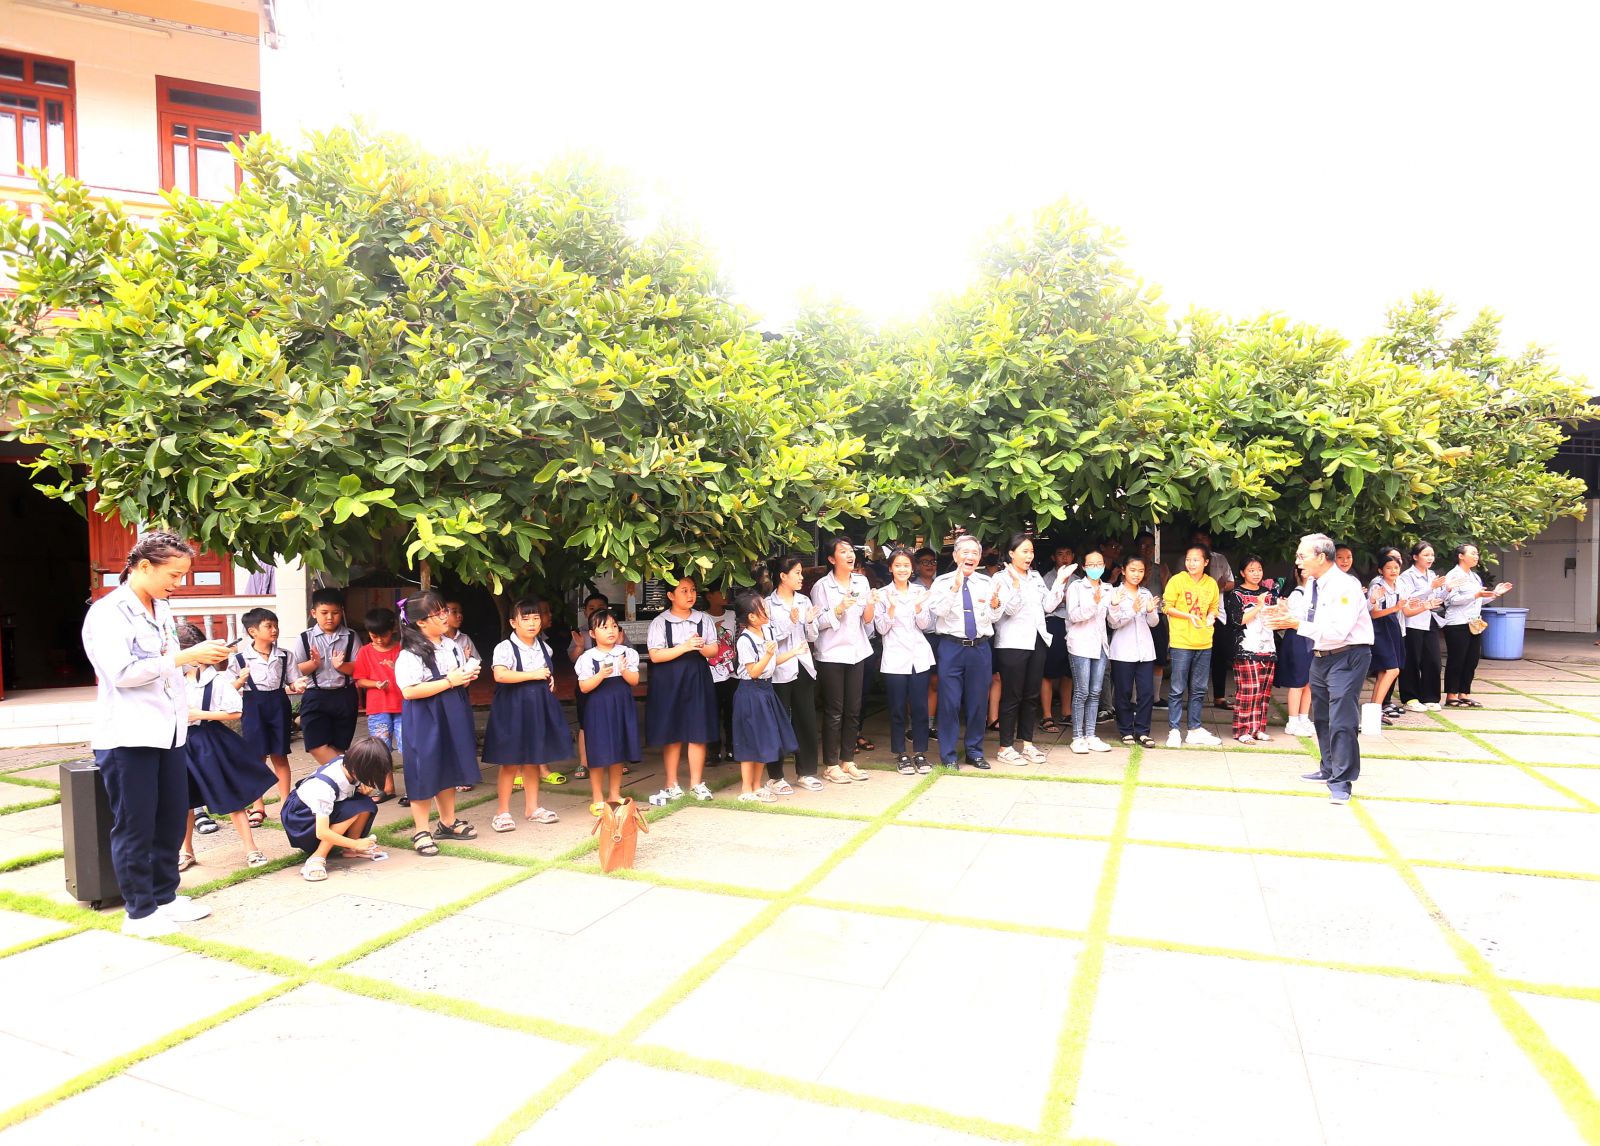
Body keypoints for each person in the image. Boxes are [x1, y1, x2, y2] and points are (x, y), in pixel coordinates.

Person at [81, 530, 231, 937]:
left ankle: (165, 896)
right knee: (135, 825)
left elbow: (166, 665)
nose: (178, 584)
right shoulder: (108, 613)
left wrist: (197, 658)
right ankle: (139, 912)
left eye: (183, 575)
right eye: (174, 575)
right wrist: (182, 657)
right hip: (129, 736)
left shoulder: (161, 607)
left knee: (169, 819)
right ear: (144, 566)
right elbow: (121, 673)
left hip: (169, 732)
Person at [1267, 533, 1375, 805]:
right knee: (1323, 717)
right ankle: (1328, 768)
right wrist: (1285, 614)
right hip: (1320, 656)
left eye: (1302, 556)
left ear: (1321, 557)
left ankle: (1342, 782)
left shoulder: (1345, 586)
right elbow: (1307, 617)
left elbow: (1338, 631)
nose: (1297, 561)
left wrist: (1294, 624)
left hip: (1347, 655)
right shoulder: (1314, 584)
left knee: (1342, 719)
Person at [174, 623, 278, 872]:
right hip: (180, 744)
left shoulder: (215, 681)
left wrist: (199, 714)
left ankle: (251, 849)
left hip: (208, 743)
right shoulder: (174, 680)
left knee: (231, 796)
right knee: (184, 802)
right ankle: (186, 851)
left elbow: (235, 712)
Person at [396, 589, 482, 854]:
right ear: (421, 622)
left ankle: (447, 821)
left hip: (453, 710)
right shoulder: (410, 654)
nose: (446, 616)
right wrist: (449, 681)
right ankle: (421, 831)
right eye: (439, 613)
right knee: (424, 768)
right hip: (425, 716)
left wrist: (466, 676)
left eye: (445, 610)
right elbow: (409, 691)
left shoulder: (451, 645)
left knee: (449, 764)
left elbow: (455, 677)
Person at [482, 597, 573, 832]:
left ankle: (532, 808)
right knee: (510, 761)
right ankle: (502, 812)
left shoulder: (545, 647)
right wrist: (534, 675)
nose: (532, 623)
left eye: (536, 618)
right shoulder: (505, 648)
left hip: (538, 707)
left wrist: (549, 679)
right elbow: (501, 675)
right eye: (526, 619)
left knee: (534, 757)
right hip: (512, 709)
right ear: (513, 623)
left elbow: (545, 672)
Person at [992, 533, 1069, 766]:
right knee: (1012, 695)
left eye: (1031, 551)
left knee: (1031, 695)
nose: (1029, 556)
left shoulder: (1035, 577)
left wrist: (1060, 582)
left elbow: (1048, 606)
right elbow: (1008, 611)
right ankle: (1005, 747)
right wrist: (1016, 586)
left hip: (1037, 640)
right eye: (1024, 551)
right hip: (1012, 643)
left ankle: (1027, 743)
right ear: (1011, 553)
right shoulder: (1000, 578)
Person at [645, 575, 720, 805]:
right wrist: (685, 646)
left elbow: (714, 650)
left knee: (698, 729)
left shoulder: (703, 619)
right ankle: (671, 784)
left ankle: (696, 783)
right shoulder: (660, 622)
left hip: (697, 676)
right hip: (668, 680)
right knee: (672, 730)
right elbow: (655, 655)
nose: (690, 595)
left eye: (693, 590)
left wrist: (700, 647)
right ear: (670, 595)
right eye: (684, 591)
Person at [928, 535, 1001, 768]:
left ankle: (975, 752)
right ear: (955, 555)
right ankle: (948, 755)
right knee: (949, 702)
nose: (970, 556)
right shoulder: (942, 582)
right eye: (965, 552)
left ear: (979, 558)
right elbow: (938, 611)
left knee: (978, 702)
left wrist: (996, 605)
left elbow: (993, 617)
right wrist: (955, 588)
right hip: (951, 647)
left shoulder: (987, 582)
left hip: (980, 648)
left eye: (974, 553)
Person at [810, 536, 876, 784]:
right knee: (834, 711)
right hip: (832, 654)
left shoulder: (861, 581)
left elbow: (867, 619)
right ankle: (830, 765)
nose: (850, 555)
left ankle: (848, 761)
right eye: (843, 551)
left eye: (851, 551)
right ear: (831, 558)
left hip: (857, 652)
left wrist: (871, 604)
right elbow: (816, 623)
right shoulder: (822, 587)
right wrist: (838, 609)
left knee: (853, 710)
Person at [280, 737, 391, 882]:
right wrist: (356, 843)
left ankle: (351, 850)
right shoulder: (323, 788)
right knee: (352, 809)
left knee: (364, 804)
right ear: (361, 769)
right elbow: (321, 832)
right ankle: (317, 857)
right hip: (300, 821)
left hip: (318, 812)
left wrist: (361, 790)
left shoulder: (350, 764)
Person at [230, 606, 300, 824]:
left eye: (276, 625)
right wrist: (240, 680)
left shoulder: (285, 656)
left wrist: (297, 685)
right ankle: (257, 806)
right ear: (253, 631)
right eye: (268, 626)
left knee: (280, 755)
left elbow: (292, 682)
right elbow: (229, 688)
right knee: (256, 757)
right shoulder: (240, 659)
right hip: (253, 706)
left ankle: (286, 804)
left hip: (279, 704)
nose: (274, 630)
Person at [731, 591, 801, 802]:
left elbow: (772, 662)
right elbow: (753, 671)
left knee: (765, 738)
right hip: (750, 692)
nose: (767, 610)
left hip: (766, 690)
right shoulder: (745, 640)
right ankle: (746, 790)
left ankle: (757, 786)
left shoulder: (766, 631)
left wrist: (794, 652)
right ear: (751, 617)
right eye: (763, 607)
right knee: (750, 740)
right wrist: (768, 654)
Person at [875, 547, 936, 774]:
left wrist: (919, 607)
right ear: (890, 568)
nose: (902, 569)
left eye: (906, 565)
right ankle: (900, 753)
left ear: (913, 568)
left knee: (920, 707)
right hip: (895, 658)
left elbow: (925, 625)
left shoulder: (920, 591)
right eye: (898, 565)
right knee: (898, 708)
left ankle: (920, 753)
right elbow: (881, 628)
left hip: (919, 656)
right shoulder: (883, 594)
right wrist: (891, 608)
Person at [575, 611, 642, 811]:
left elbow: (634, 681)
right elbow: (584, 687)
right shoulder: (588, 657)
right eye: (604, 627)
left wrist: (624, 670)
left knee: (618, 750)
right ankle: (597, 797)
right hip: (598, 707)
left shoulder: (626, 653)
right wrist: (600, 675)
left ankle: (614, 794)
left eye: (613, 626)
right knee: (598, 751)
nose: (610, 631)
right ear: (592, 633)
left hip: (621, 705)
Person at [767, 556, 824, 792]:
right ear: (783, 576)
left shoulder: (804, 600)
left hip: (803, 665)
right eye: (797, 573)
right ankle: (775, 776)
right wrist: (792, 623)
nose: (802, 577)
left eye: (801, 572)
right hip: (779, 668)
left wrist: (808, 622)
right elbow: (770, 639)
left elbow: (812, 636)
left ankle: (806, 772)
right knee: (778, 721)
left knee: (806, 720)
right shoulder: (768, 604)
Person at [294, 587, 362, 766]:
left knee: (340, 746)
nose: (330, 617)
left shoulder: (351, 636)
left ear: (342, 612)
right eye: (324, 613)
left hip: (344, 695)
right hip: (315, 695)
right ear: (314, 613)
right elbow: (296, 670)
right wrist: (313, 664)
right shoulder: (304, 638)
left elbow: (359, 668)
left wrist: (341, 666)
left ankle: (342, 782)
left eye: (335, 613)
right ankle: (350, 774)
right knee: (315, 745)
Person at [1163, 545, 1222, 747]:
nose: (1191, 563)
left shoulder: (1211, 583)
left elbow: (1214, 608)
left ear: (1206, 562)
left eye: (1196, 560)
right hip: (1181, 641)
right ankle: (1174, 730)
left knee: (1199, 689)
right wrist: (1188, 616)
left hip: (1204, 642)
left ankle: (1194, 729)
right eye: (1188, 559)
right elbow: (1167, 606)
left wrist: (1211, 617)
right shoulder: (1177, 580)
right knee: (1177, 688)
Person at [1442, 543, 1514, 707]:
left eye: (1477, 554)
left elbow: (1478, 600)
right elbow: (1452, 600)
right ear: (1461, 556)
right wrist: (1476, 595)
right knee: (1457, 659)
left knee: (1471, 660)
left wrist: (1494, 594)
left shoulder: (1474, 576)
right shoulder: (1453, 575)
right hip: (1458, 622)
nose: (1476, 556)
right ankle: (1451, 695)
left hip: (1474, 623)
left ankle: (1464, 693)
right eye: (1473, 553)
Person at [1107, 555, 1161, 748]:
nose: (1137, 574)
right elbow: (1113, 623)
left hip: (1145, 650)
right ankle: (1126, 730)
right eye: (1132, 570)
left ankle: (1143, 731)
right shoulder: (1115, 593)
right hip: (1123, 650)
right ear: (1123, 571)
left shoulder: (1146, 593)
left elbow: (1153, 623)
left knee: (1146, 692)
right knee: (1124, 692)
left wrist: (1151, 611)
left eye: (1140, 571)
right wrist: (1132, 610)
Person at [350, 607, 402, 801]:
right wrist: (376, 684)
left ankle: (415, 787)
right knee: (381, 748)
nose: (379, 640)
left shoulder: (402, 649)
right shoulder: (365, 652)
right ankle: (387, 788)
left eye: (384, 635)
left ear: (393, 629)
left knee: (408, 746)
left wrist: (396, 668)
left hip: (403, 706)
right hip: (378, 707)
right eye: (374, 636)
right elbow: (360, 680)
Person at [1065, 550, 1114, 754]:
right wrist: (1094, 602)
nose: (1096, 568)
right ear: (1084, 567)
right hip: (1080, 645)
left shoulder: (1108, 588)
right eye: (1091, 565)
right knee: (1082, 692)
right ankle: (1077, 737)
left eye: (1099, 564)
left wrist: (1118, 606)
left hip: (1100, 645)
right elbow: (1073, 615)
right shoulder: (1076, 587)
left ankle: (1091, 735)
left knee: (1095, 692)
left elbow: (1112, 620)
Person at [1226, 557, 1278, 744]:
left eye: (1259, 570)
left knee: (1263, 691)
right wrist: (1259, 606)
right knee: (1249, 690)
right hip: (1245, 648)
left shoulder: (1268, 593)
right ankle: (1242, 730)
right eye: (1251, 570)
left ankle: (1258, 729)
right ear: (1242, 573)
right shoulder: (1237, 594)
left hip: (1268, 647)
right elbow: (1238, 620)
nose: (1256, 574)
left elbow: (1275, 618)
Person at [1396, 541, 1449, 712]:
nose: (1430, 558)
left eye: (1432, 555)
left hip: (1430, 620)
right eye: (1426, 555)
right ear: (1415, 557)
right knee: (1412, 661)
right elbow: (1409, 599)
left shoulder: (1432, 574)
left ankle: (1430, 697)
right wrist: (1430, 587)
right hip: (1413, 622)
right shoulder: (1407, 576)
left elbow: (1437, 597)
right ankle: (1410, 698)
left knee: (1433, 661)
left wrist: (1447, 589)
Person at [1367, 548, 1411, 724]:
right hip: (1379, 628)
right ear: (1380, 570)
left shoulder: (1398, 585)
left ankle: (1373, 711)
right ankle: (1376, 709)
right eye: (1388, 568)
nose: (1393, 571)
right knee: (1393, 670)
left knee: (1384, 672)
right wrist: (1395, 608)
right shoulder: (1377, 586)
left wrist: (1425, 605)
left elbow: (1406, 609)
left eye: (1396, 567)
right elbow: (1374, 613)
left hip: (1393, 626)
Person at [1192, 531, 1235, 709]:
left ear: (1210, 540)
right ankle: (1194, 696)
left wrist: (1221, 586)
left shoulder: (1220, 559)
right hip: (1194, 615)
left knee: (1219, 656)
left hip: (1218, 614)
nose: (1200, 541)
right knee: (1195, 658)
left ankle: (1219, 697)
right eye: (1197, 538)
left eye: (1203, 538)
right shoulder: (1187, 560)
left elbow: (1231, 582)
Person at [1039, 543, 1077, 734]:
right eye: (1060, 554)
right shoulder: (1047, 578)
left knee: (1068, 671)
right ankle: (1046, 715)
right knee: (1049, 672)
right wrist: (1063, 599)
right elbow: (1046, 605)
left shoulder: (1078, 580)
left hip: (1074, 625)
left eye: (1068, 553)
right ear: (1053, 557)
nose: (1064, 558)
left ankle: (1066, 712)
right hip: (1054, 624)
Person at [1277, 565, 1315, 736]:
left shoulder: (1318, 593)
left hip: (1312, 638)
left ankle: (1303, 718)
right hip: (1298, 639)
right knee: (1297, 682)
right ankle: (1292, 721)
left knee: (1309, 682)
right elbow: (1293, 620)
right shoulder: (1297, 594)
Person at [703, 585, 739, 763]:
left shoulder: (733, 616)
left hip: (732, 672)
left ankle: (732, 748)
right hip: (711, 672)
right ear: (709, 596)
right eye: (720, 591)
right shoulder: (702, 618)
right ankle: (713, 751)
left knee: (732, 712)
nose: (725, 595)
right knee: (712, 712)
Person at [1135, 533, 1169, 703]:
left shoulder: (1159, 568)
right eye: (1143, 545)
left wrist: (1164, 579)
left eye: (1150, 545)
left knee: (1159, 658)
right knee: (1135, 659)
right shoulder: (1131, 568)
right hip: (1136, 617)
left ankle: (1155, 698)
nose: (1147, 549)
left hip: (1157, 615)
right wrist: (1143, 580)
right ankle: (1134, 700)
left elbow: (1169, 596)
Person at [913, 547, 942, 737]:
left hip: (939, 638)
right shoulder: (913, 588)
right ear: (916, 566)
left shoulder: (941, 586)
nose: (930, 565)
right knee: (916, 683)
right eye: (925, 562)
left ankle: (929, 725)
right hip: (919, 637)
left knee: (934, 682)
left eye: (932, 562)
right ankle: (914, 725)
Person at [442, 598, 479, 663]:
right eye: (454, 612)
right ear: (443, 615)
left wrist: (469, 659)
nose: (460, 615)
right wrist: (463, 657)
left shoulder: (465, 638)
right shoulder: (438, 638)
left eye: (460, 612)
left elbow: (477, 662)